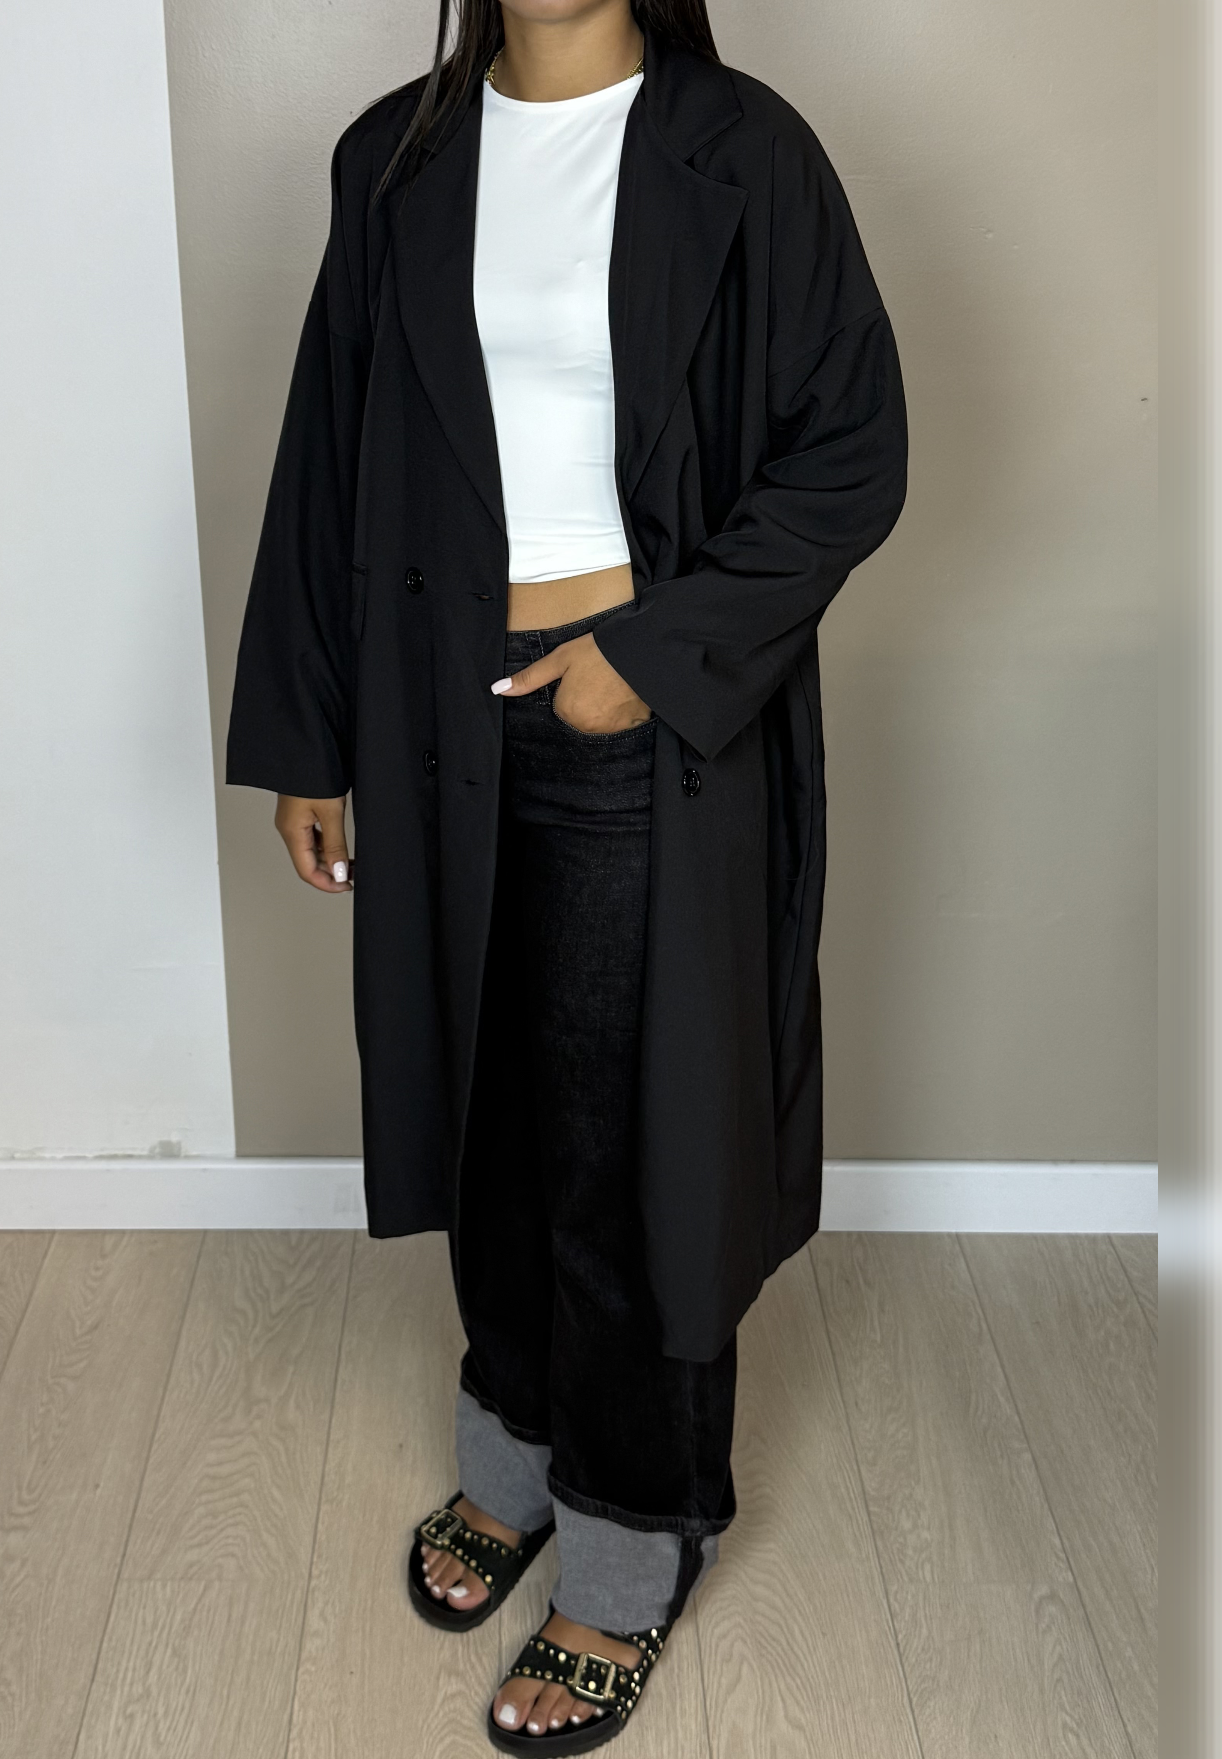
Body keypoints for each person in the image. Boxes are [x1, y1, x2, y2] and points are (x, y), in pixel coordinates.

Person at [226, 0, 906, 1748]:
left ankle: (629, 1537)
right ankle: (516, 1452)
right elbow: (329, 450)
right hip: (434, 709)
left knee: (630, 1148)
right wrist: (312, 735)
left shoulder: (742, 151)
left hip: (639, 723)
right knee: (491, 1117)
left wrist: (652, 656)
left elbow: (850, 451)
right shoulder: (395, 157)